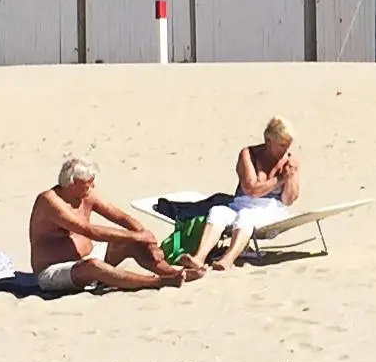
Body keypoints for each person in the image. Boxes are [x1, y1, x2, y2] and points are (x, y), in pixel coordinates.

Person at [26, 156, 196, 293]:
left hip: (90, 256)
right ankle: (157, 282)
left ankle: (173, 273)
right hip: (55, 271)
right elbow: (88, 231)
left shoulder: (86, 194)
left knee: (131, 243)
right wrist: (137, 236)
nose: (93, 185)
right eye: (89, 182)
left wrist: (148, 242)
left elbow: (122, 217)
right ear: (73, 184)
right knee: (93, 265)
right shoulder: (49, 202)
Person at [201, 118, 305, 271]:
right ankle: (199, 257)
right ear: (268, 141)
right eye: (281, 145)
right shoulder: (249, 154)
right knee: (217, 212)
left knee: (246, 216)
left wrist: (289, 179)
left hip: (271, 209)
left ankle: (228, 258)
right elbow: (251, 190)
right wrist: (279, 179)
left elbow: (289, 200)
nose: (285, 150)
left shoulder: (290, 160)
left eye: (287, 146)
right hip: (241, 203)